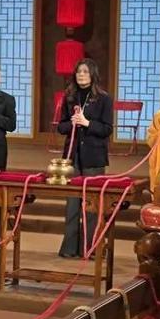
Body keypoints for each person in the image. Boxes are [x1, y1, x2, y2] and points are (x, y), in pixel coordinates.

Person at [57, 58, 113, 258]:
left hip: (94, 156)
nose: (81, 75)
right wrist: (72, 123)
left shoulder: (104, 98)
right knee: (72, 205)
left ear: (92, 75)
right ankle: (69, 248)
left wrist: (87, 123)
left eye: (85, 72)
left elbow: (107, 129)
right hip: (72, 157)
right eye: (79, 72)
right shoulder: (69, 97)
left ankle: (90, 249)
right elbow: (61, 126)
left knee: (91, 205)